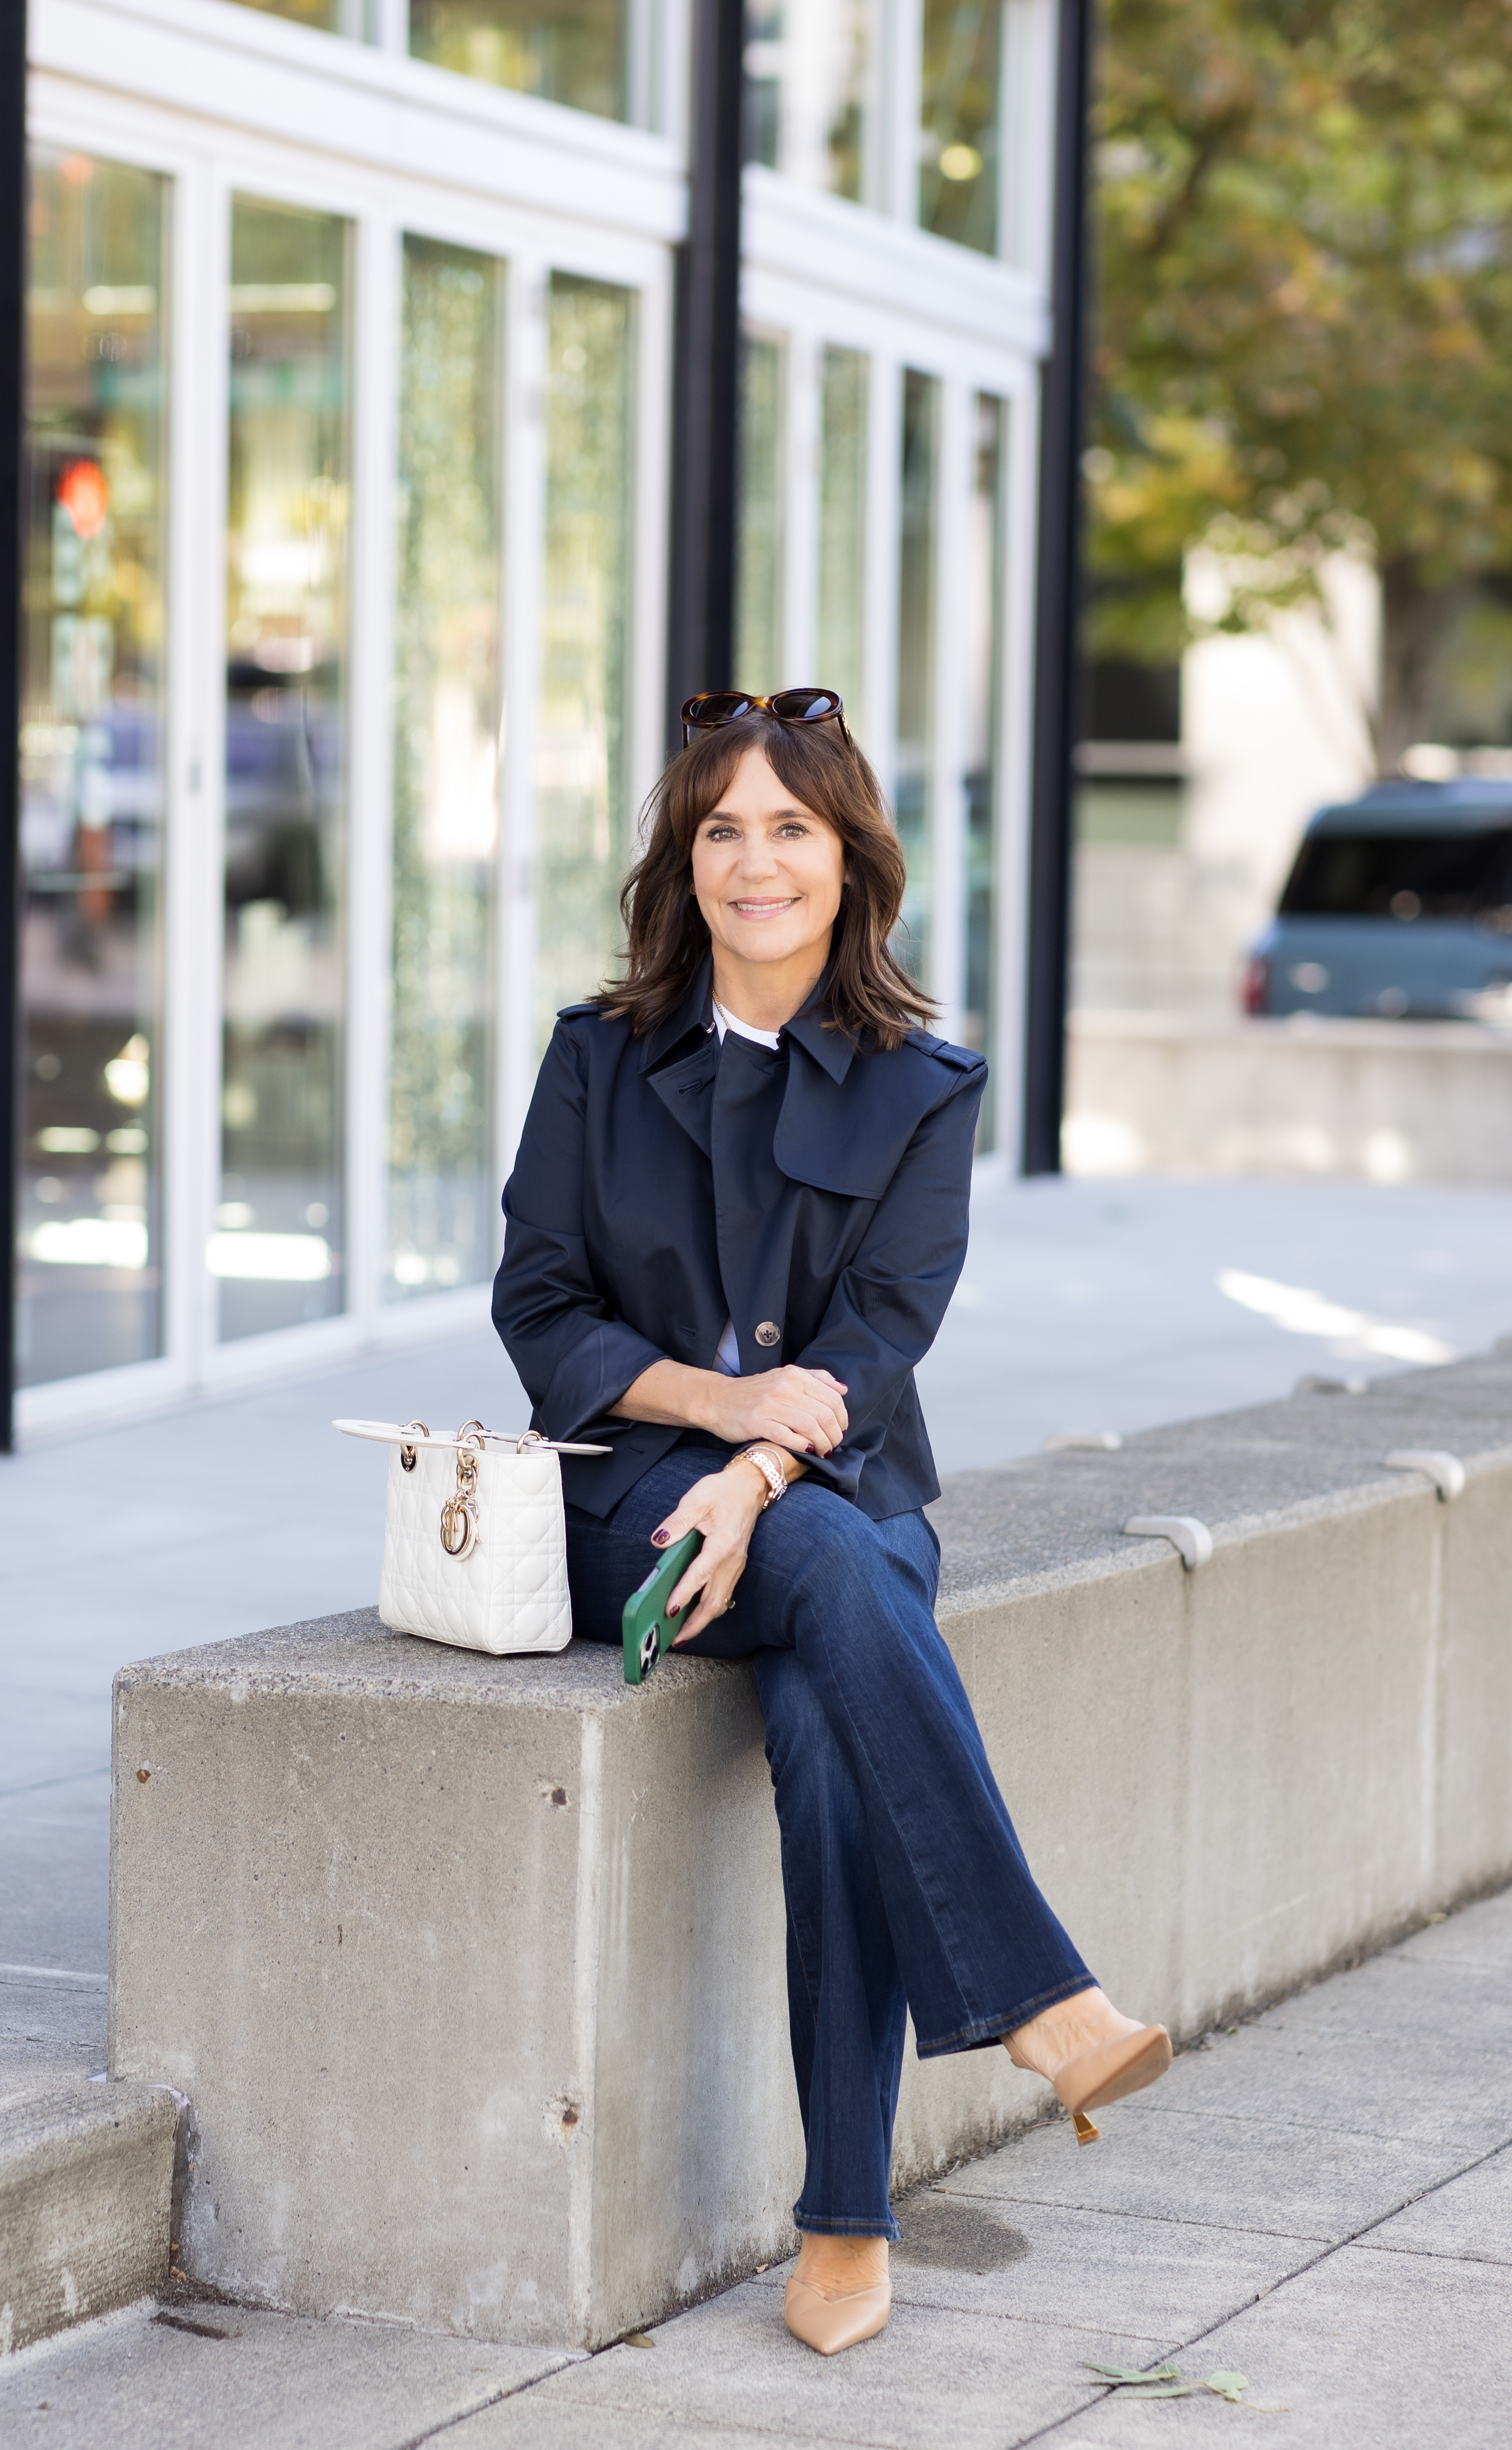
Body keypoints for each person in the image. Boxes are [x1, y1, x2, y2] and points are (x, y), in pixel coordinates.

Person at [492, 691, 1171, 2357]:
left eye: (789, 825)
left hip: (836, 1498)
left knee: (824, 1711)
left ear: (849, 856)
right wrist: (720, 1423)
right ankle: (1043, 2003)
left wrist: (762, 1473)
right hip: (624, 1501)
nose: (754, 860)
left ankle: (847, 2220)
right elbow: (540, 1308)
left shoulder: (927, 1089)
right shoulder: (600, 1056)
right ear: (685, 859)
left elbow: (879, 1343)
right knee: (842, 1585)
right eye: (721, 827)